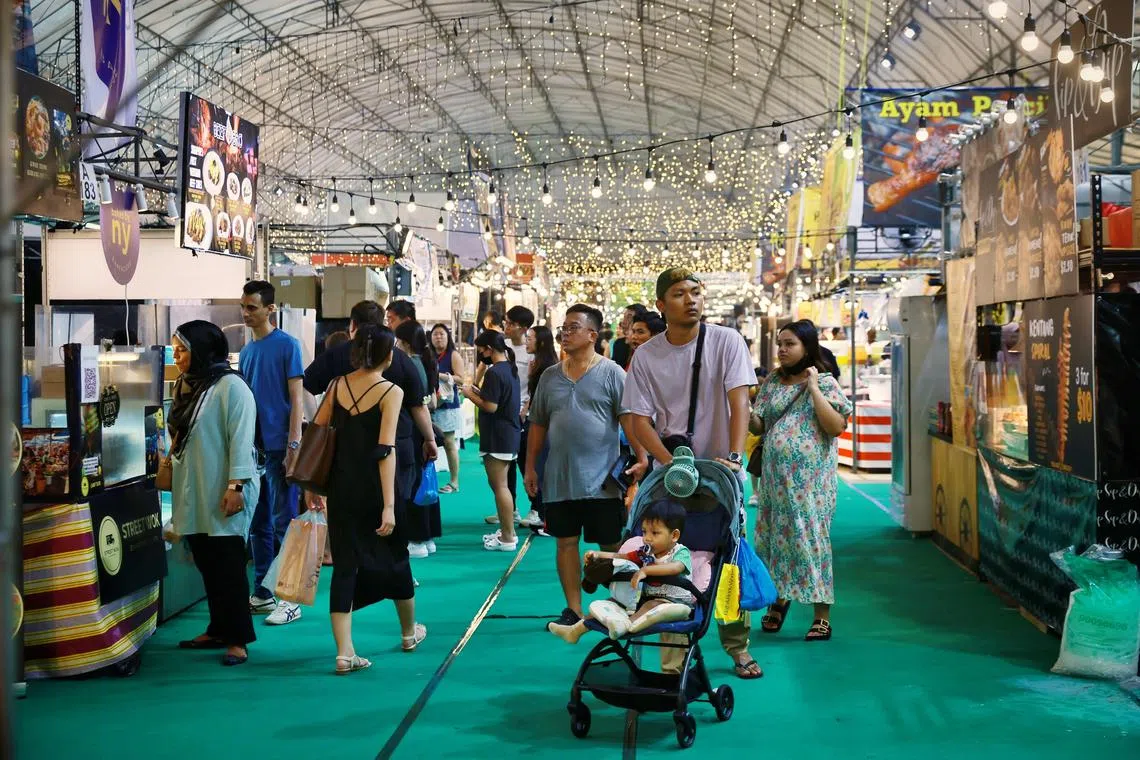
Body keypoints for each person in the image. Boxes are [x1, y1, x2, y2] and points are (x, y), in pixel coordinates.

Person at [622, 266, 762, 680]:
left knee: (728, 558)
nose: (692, 299)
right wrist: (668, 461)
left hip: (722, 474)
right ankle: (672, 658)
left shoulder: (726, 341)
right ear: (662, 305)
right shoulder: (647, 355)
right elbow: (638, 419)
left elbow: (740, 403)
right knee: (670, 557)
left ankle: (737, 648)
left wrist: (735, 458)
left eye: (697, 292)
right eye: (681, 293)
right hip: (673, 477)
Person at [308, 326, 426, 673]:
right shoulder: (391, 391)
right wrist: (389, 505)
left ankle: (345, 653)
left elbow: (318, 432)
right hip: (377, 489)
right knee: (396, 557)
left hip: (341, 488)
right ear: (389, 357)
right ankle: (408, 634)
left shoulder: (336, 385)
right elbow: (385, 451)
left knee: (345, 566)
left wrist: (312, 486)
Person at [525, 305, 643, 627]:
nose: (565, 333)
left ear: (592, 335)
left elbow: (629, 420)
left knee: (610, 546)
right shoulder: (549, 377)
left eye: (573, 327)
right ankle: (574, 609)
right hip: (559, 479)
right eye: (564, 327)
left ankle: (617, 604)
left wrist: (642, 457)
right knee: (565, 543)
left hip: (602, 481)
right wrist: (531, 467)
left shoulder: (612, 373)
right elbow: (537, 424)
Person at [751, 320, 851, 642]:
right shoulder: (771, 383)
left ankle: (822, 615)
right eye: (780, 343)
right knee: (774, 542)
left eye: (790, 343)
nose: (782, 350)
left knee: (812, 542)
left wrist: (813, 390)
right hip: (774, 484)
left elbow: (835, 426)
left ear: (807, 347)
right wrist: (739, 402)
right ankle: (779, 600)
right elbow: (758, 425)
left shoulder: (825, 382)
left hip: (811, 486)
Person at [168, 321, 260, 667]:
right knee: (208, 564)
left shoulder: (230, 387)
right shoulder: (185, 386)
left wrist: (235, 487)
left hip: (225, 489)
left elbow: (242, 439)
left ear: (203, 351)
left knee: (229, 565)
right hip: (195, 486)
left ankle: (238, 639)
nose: (176, 355)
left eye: (183, 349)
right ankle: (219, 627)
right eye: (176, 348)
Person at [303, 301, 438, 528]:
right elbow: (418, 406)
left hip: (346, 450)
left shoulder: (337, 359)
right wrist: (430, 439)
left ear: (352, 324)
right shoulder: (399, 360)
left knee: (348, 521)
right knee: (390, 515)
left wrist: (320, 425)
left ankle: (343, 556)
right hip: (395, 444)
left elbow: (306, 386)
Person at [238, 280, 306, 626]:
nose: (246, 313)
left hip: (281, 447)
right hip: (254, 449)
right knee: (258, 523)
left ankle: (290, 598)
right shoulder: (247, 352)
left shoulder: (287, 346)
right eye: (244, 306)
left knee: (285, 522)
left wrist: (294, 444)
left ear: (270, 309)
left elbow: (297, 398)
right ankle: (263, 592)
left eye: (252, 307)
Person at [548, 500, 694, 643]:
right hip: (645, 599)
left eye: (655, 533)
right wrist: (599, 555)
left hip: (674, 601)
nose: (647, 538)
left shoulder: (680, 552)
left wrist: (646, 571)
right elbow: (623, 556)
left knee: (651, 605)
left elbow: (676, 568)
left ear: (674, 536)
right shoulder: (645, 551)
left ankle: (626, 625)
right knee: (610, 604)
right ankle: (574, 630)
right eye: (644, 532)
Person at [461, 330, 521, 551]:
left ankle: (507, 537)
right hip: (508, 434)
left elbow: (490, 406)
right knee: (501, 486)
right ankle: (508, 532)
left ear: (489, 348)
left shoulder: (495, 372)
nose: (481, 354)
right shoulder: (509, 369)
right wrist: (477, 391)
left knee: (500, 487)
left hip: (498, 436)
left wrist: (469, 394)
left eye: (481, 350)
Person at [484, 306, 535, 528]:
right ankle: (509, 510)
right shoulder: (501, 349)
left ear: (523, 328)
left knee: (526, 463)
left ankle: (535, 508)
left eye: (511, 323)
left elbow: (535, 384)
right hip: (504, 414)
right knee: (506, 468)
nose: (506, 326)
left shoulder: (531, 352)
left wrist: (526, 407)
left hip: (525, 415)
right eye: (505, 321)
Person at [395, 320, 442, 558]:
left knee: (413, 487)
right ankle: (426, 536)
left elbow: (419, 406)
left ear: (402, 342)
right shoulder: (423, 362)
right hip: (421, 432)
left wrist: (427, 437)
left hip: (413, 433)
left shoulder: (406, 365)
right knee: (423, 486)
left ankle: (416, 539)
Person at [519, 325, 558, 530]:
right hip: (536, 421)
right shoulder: (538, 364)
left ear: (541, 341)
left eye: (530, 338)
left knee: (541, 468)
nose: (527, 341)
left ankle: (545, 517)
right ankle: (540, 512)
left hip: (545, 426)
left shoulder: (548, 367)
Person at [430, 323, 466, 494]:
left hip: (448, 405)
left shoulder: (453, 355)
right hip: (431, 404)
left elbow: (461, 379)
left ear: (448, 337)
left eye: (442, 334)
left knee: (449, 442)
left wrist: (441, 376)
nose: (438, 337)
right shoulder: (428, 355)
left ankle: (454, 481)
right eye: (435, 334)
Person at [610, 304, 648, 369]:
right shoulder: (619, 343)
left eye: (629, 317)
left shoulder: (646, 347)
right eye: (624, 317)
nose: (623, 322)